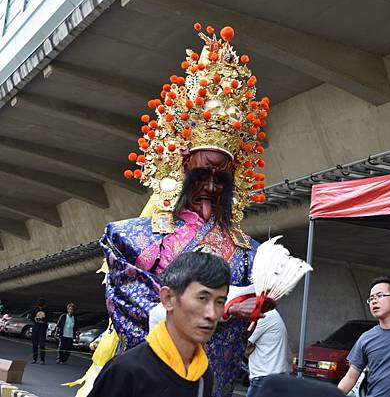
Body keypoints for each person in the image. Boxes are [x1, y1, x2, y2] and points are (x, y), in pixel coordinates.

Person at [77, 23, 274, 397]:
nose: (211, 187)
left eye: (221, 179)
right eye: (202, 176)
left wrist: (253, 307)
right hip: (151, 376)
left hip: (212, 376)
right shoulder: (133, 237)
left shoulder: (248, 249)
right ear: (179, 171)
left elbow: (244, 322)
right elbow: (131, 310)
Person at [88, 251, 229, 397]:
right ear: (168, 299)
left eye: (220, 302)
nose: (212, 314)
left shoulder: (204, 376)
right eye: (202, 298)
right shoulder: (126, 371)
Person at [245, 309, 291, 397]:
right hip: (271, 376)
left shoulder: (265, 316)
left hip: (264, 377)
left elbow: (245, 344)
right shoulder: (274, 316)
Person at [30, 298, 49, 365]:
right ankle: (34, 358)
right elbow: (31, 316)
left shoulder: (47, 310)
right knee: (34, 344)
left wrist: (44, 319)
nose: (40, 307)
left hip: (42, 328)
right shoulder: (35, 309)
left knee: (42, 344)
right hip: (35, 327)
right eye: (39, 306)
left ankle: (42, 359)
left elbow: (50, 318)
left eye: (42, 306)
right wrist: (34, 319)